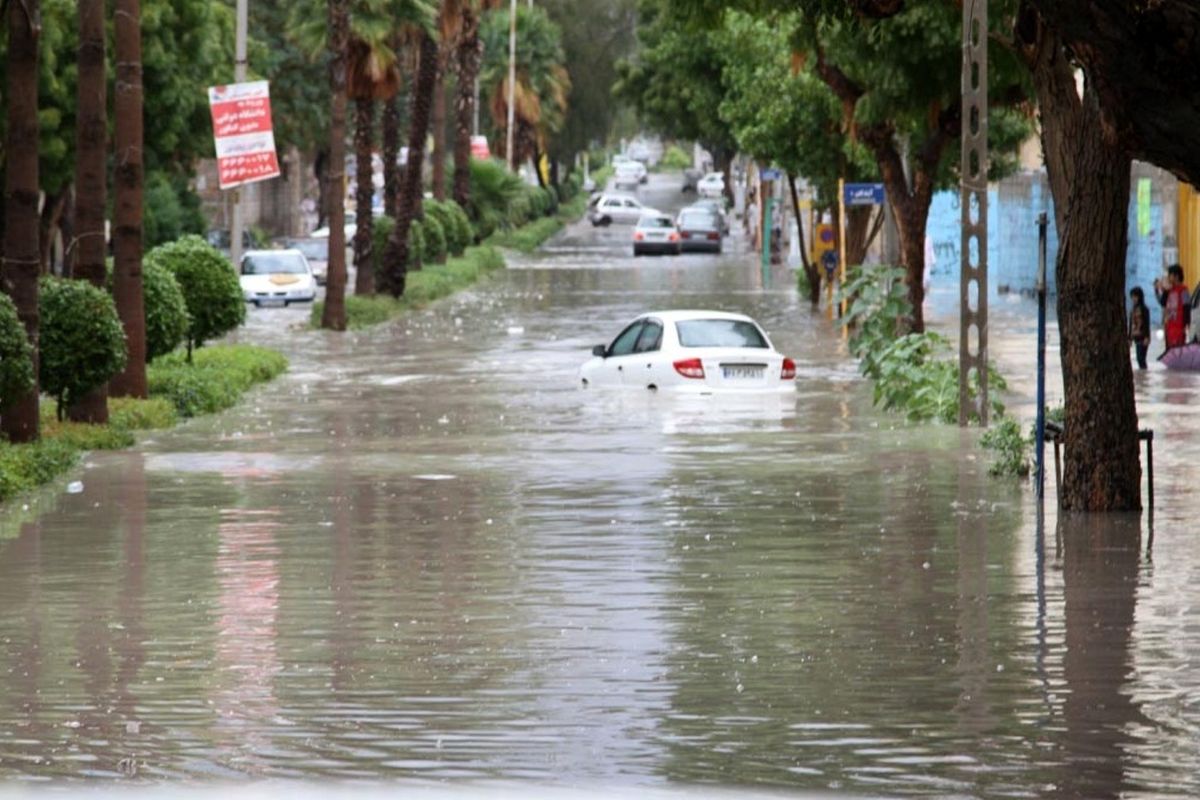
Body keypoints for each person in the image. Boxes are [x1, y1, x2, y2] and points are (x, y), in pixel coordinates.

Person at [1154, 264, 1191, 350]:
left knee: (1177, 350)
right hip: (1169, 326)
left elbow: (1187, 307)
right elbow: (1162, 302)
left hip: (1179, 326)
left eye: (1170, 275)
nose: (1168, 278)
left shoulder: (1183, 290)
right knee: (1169, 351)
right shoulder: (1169, 290)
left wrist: (1187, 324)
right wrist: (1157, 290)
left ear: (1176, 276)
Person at [1129, 287, 1151, 369]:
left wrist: (1147, 337)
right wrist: (1129, 338)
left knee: (1141, 358)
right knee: (1139, 358)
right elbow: (1131, 324)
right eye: (1132, 297)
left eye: (1135, 296)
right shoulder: (1132, 310)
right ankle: (1142, 376)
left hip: (1143, 337)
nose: (1133, 299)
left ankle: (1143, 374)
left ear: (1139, 297)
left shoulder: (1144, 309)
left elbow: (1147, 324)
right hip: (1136, 337)